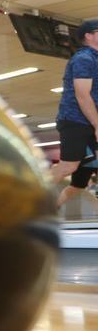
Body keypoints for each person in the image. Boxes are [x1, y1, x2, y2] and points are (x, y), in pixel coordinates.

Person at [52, 19, 98, 210]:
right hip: (75, 120)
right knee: (69, 167)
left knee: (77, 180)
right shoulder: (83, 59)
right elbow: (82, 95)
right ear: (89, 35)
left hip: (89, 120)